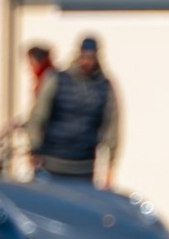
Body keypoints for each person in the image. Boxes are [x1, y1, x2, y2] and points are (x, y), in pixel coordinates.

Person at [29, 30, 119, 184]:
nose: (86, 61)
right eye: (84, 56)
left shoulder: (104, 87)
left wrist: (111, 166)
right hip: (51, 164)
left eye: (91, 57)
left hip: (84, 167)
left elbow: (112, 126)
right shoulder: (56, 79)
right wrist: (34, 148)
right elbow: (38, 116)